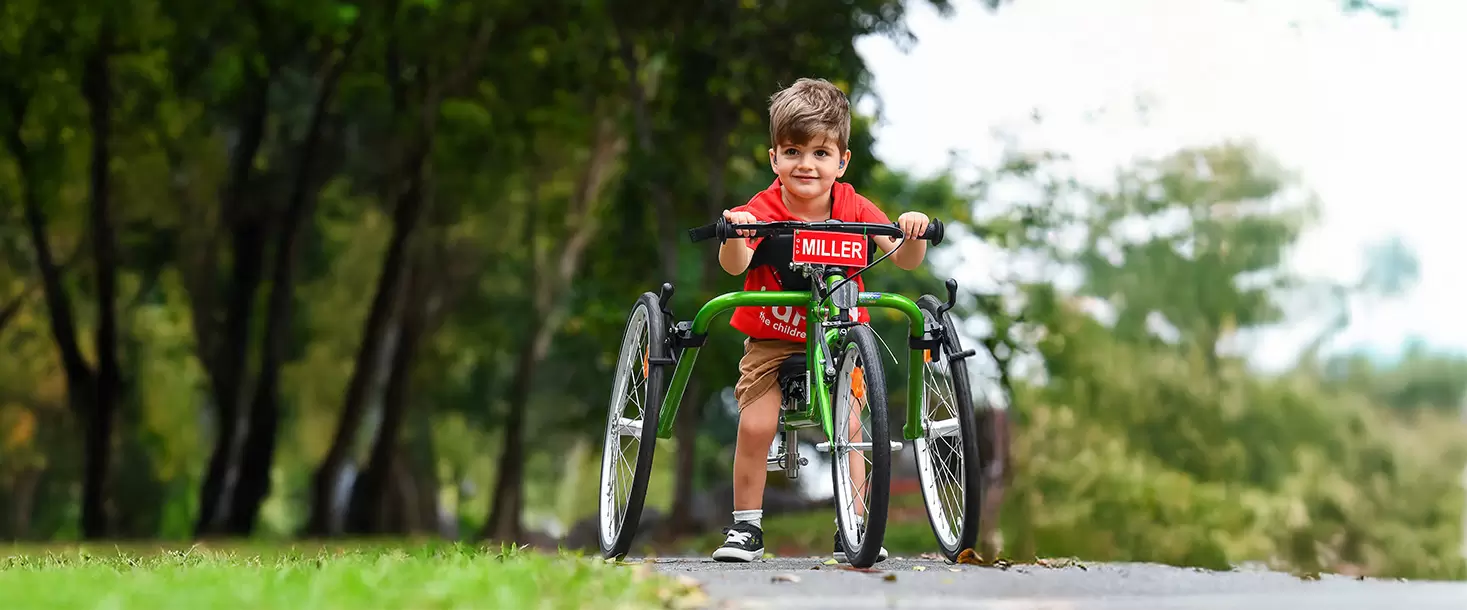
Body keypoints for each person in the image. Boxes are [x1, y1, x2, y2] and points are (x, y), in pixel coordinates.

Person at [710, 77, 932, 563]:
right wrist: (735, 232)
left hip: (839, 339)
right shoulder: (762, 208)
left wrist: (912, 230)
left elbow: (905, 259)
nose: (806, 164)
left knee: (851, 429)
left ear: (841, 161)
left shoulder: (852, 205)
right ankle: (746, 528)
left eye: (820, 153)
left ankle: (851, 524)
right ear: (774, 159)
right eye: (792, 151)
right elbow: (735, 266)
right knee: (755, 427)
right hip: (771, 340)